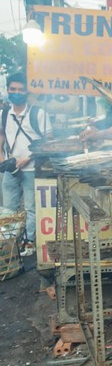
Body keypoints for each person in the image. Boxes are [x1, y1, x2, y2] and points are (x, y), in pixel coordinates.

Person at [1, 72, 49, 255]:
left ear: (27, 92)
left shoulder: (38, 113)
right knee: (8, 210)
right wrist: (4, 160)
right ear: (7, 90)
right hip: (11, 170)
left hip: (32, 169)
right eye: (13, 89)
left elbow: (47, 142)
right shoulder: (4, 113)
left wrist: (28, 157)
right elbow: (1, 137)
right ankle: (10, 244)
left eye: (21, 89)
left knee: (31, 208)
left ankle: (28, 243)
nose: (17, 92)